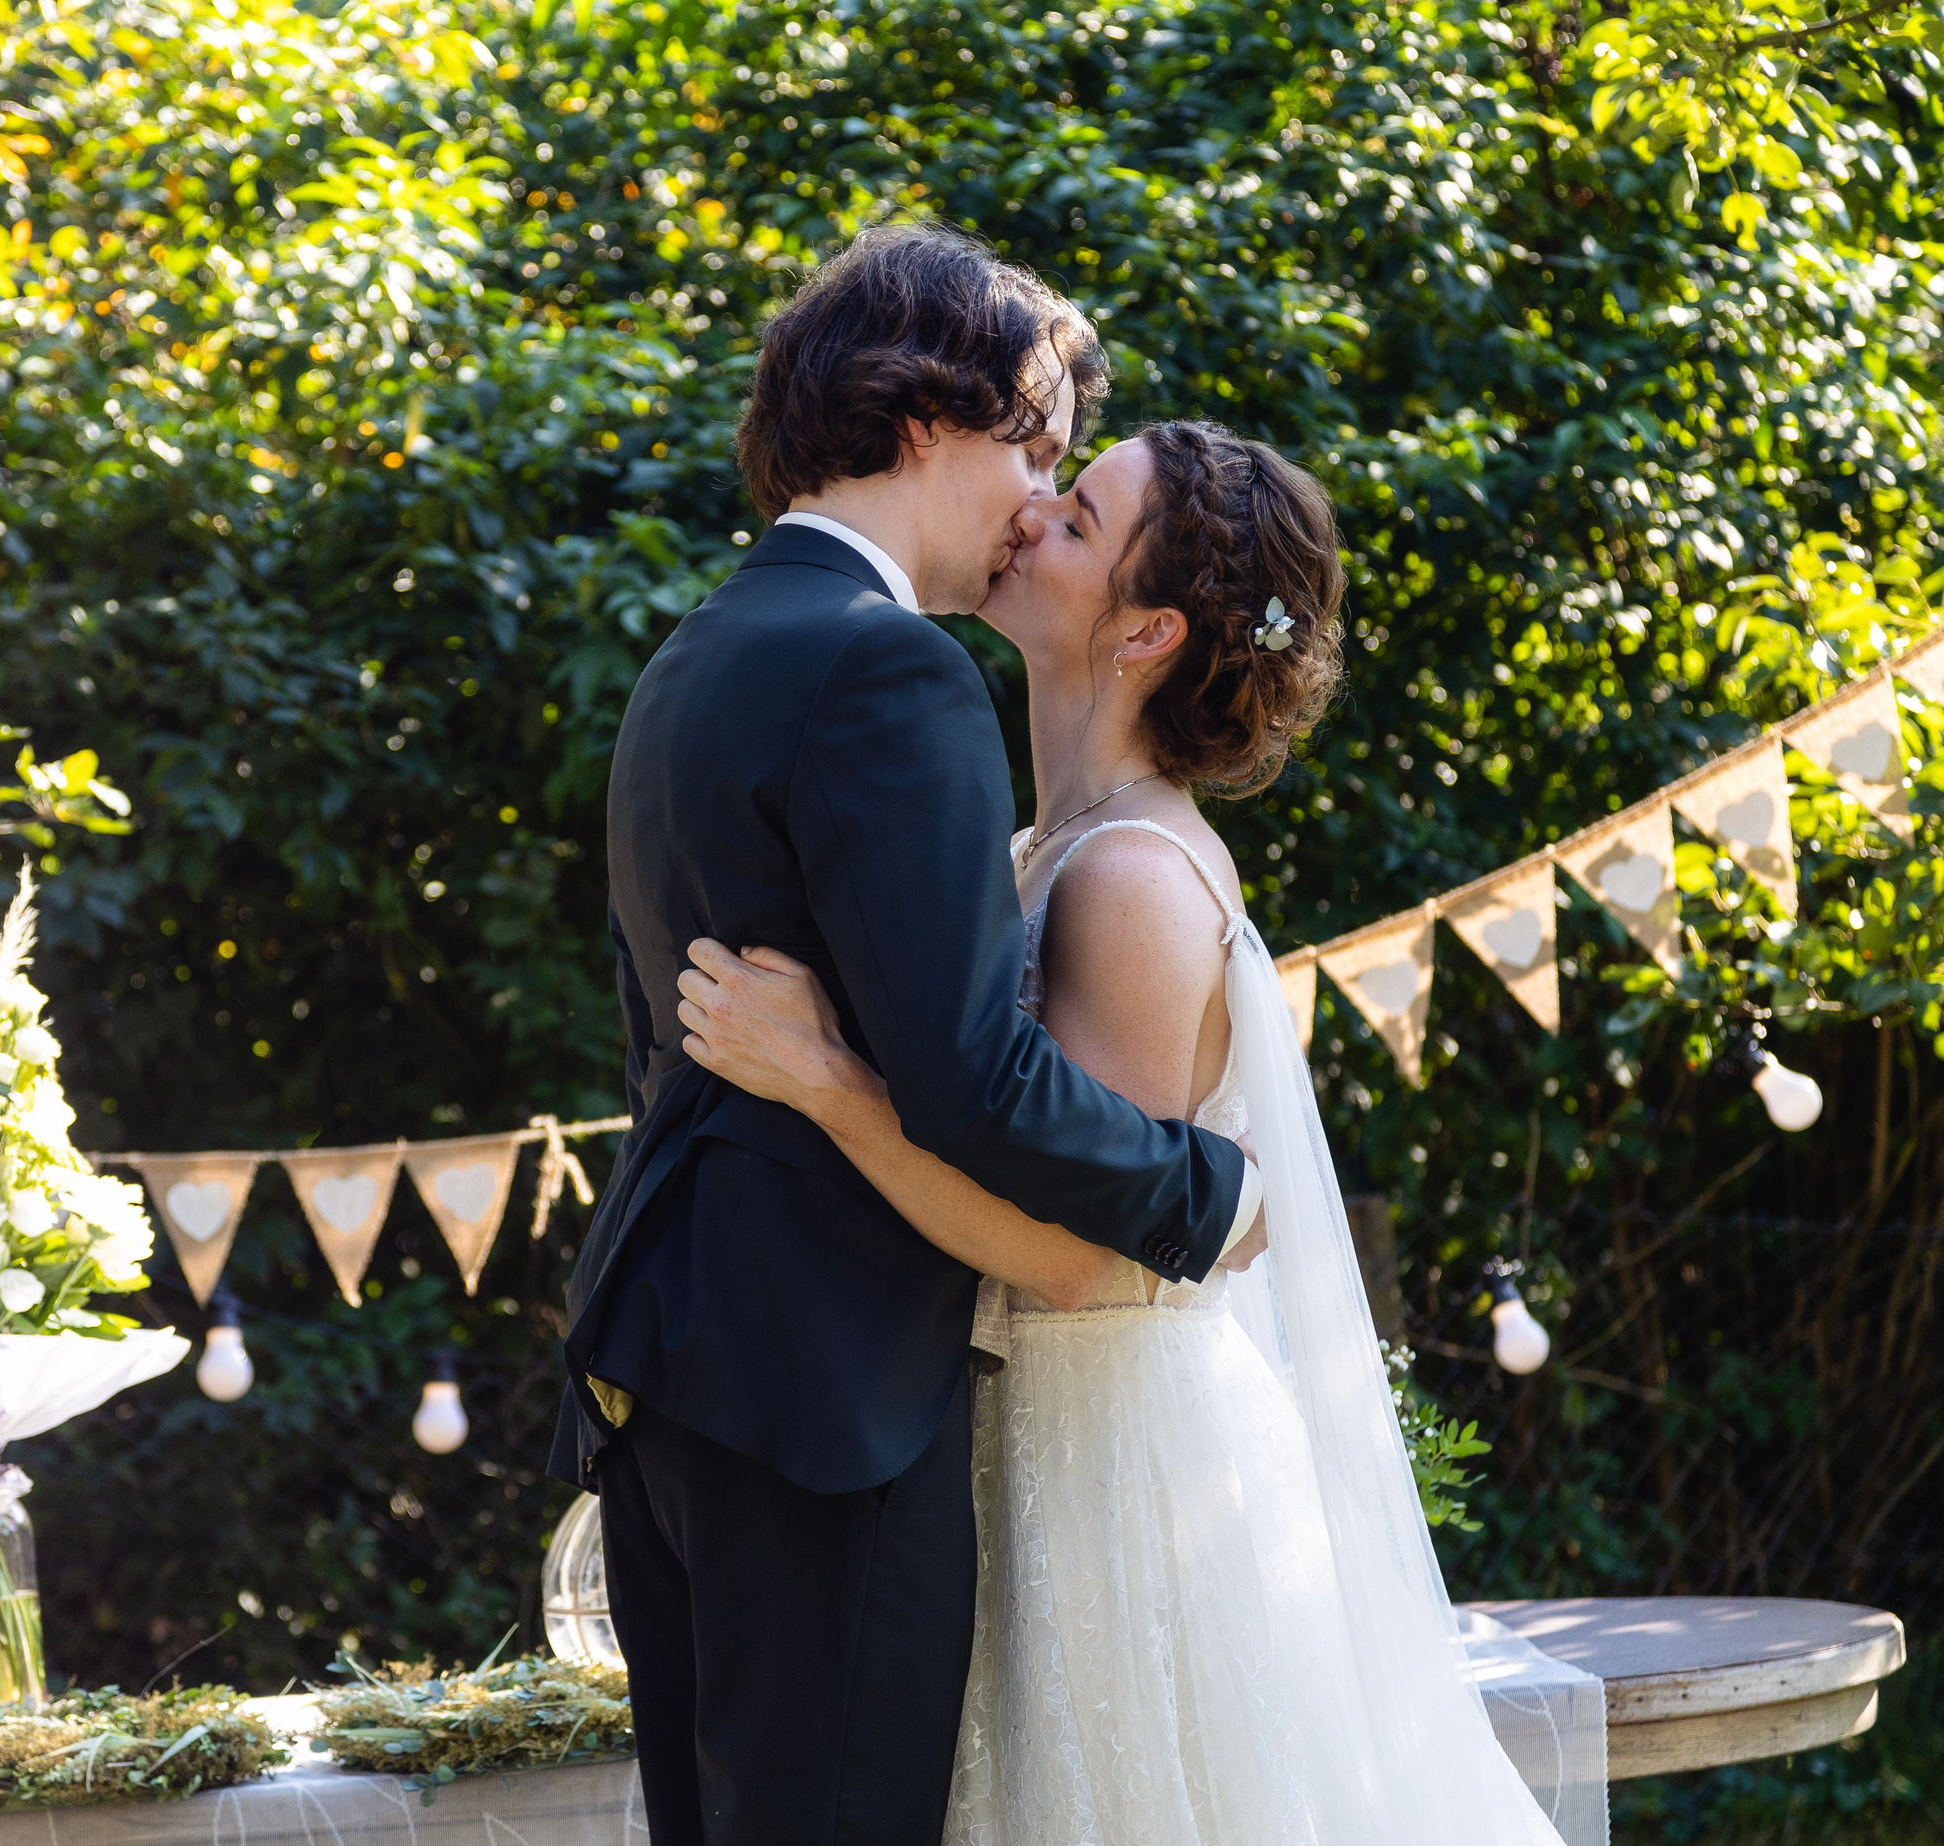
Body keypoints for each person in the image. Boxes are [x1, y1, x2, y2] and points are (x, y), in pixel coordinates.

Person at [676, 420, 1599, 1843]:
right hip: (1031, 1447)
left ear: (1145, 630)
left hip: (1121, 1487)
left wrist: (820, 1079)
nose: (1034, 510)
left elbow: (1078, 1263)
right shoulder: (1044, 849)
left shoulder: (1129, 880)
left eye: (1082, 517)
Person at [547, 225, 1264, 1846]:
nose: (1036, 503)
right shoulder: (889, 668)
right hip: (822, 1399)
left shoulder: (697, 652)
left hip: (673, 1373)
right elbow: (969, 1079)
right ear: (927, 416)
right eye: (1037, 450)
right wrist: (1199, 1194)